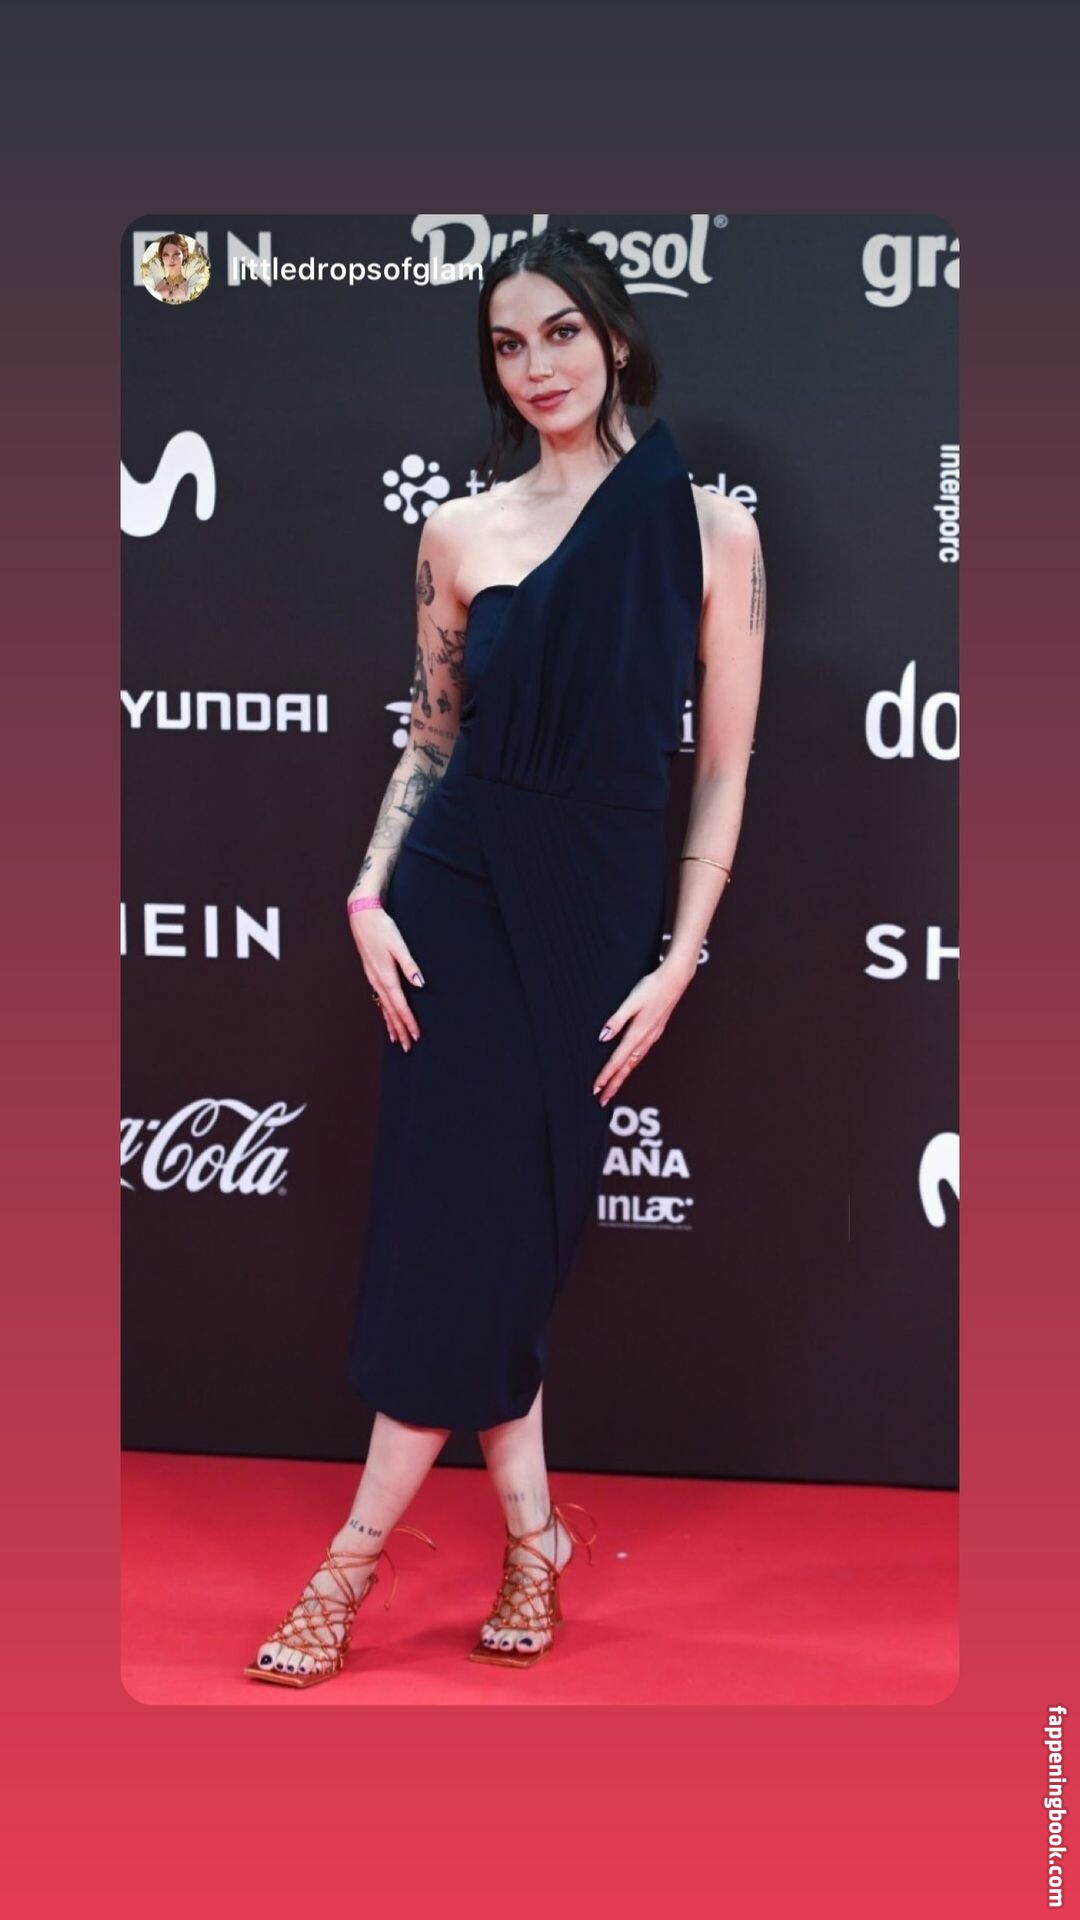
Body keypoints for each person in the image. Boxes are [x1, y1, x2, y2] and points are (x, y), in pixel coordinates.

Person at [244, 227, 766, 1689]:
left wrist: (682, 957)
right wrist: (367, 895)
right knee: (456, 1233)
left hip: (596, 916)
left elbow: (724, 768)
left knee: (508, 1235)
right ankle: (397, 1560)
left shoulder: (711, 528)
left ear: (615, 335)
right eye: (506, 344)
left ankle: (489, 1547)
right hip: (454, 900)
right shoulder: (459, 532)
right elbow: (431, 740)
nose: (536, 366)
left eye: (560, 332)